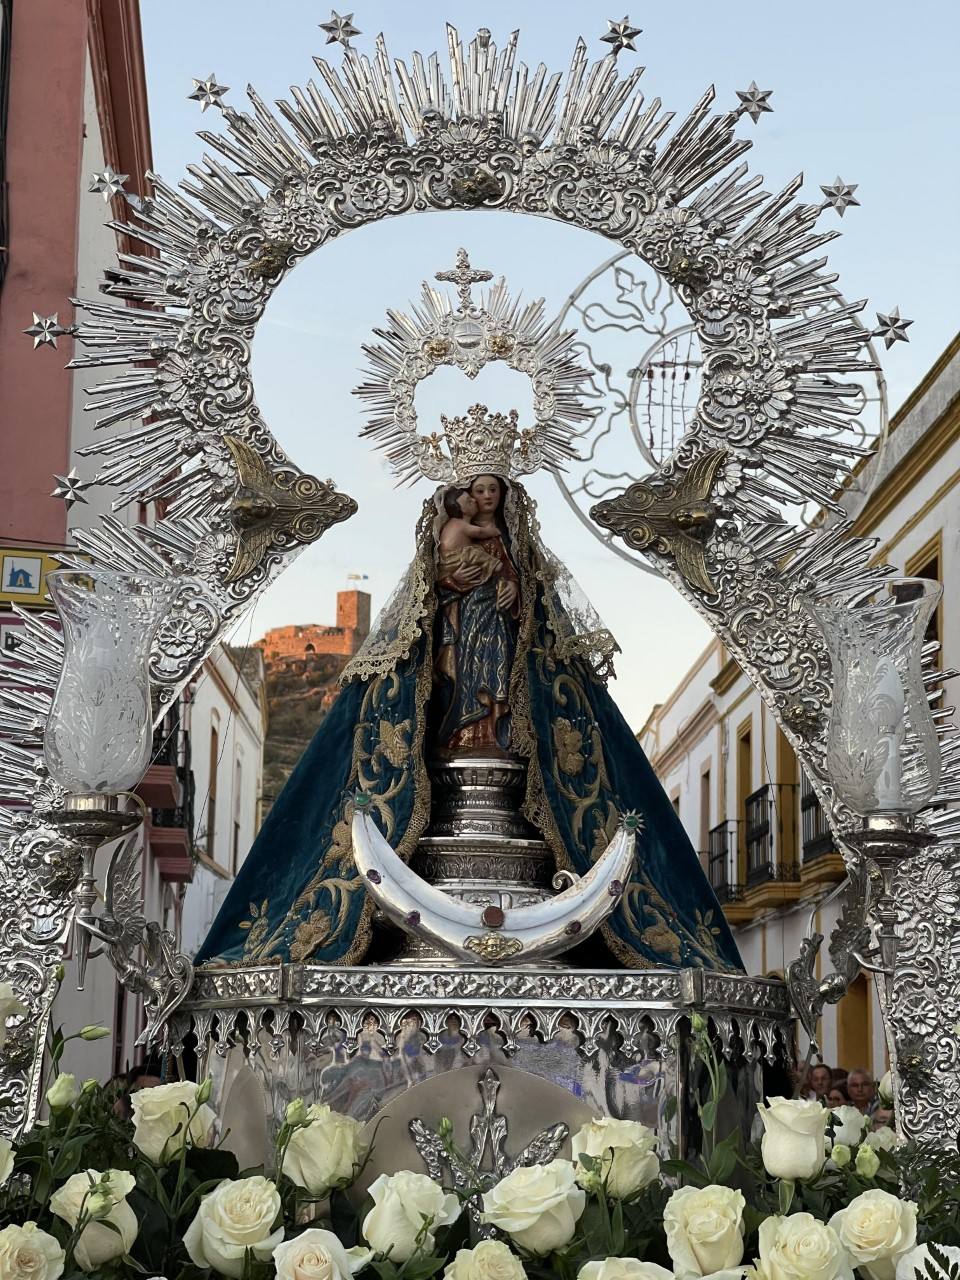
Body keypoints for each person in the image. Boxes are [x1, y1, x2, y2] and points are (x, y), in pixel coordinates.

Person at [195, 471, 744, 974]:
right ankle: (469, 731)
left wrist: (512, 591)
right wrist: (463, 580)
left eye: (494, 490)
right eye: (477, 489)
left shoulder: (516, 551)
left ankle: (492, 727)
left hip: (500, 639)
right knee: (460, 695)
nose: (486, 498)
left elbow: (531, 602)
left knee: (502, 695)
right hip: (458, 635)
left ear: (506, 498)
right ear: (459, 495)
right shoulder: (452, 532)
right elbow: (437, 581)